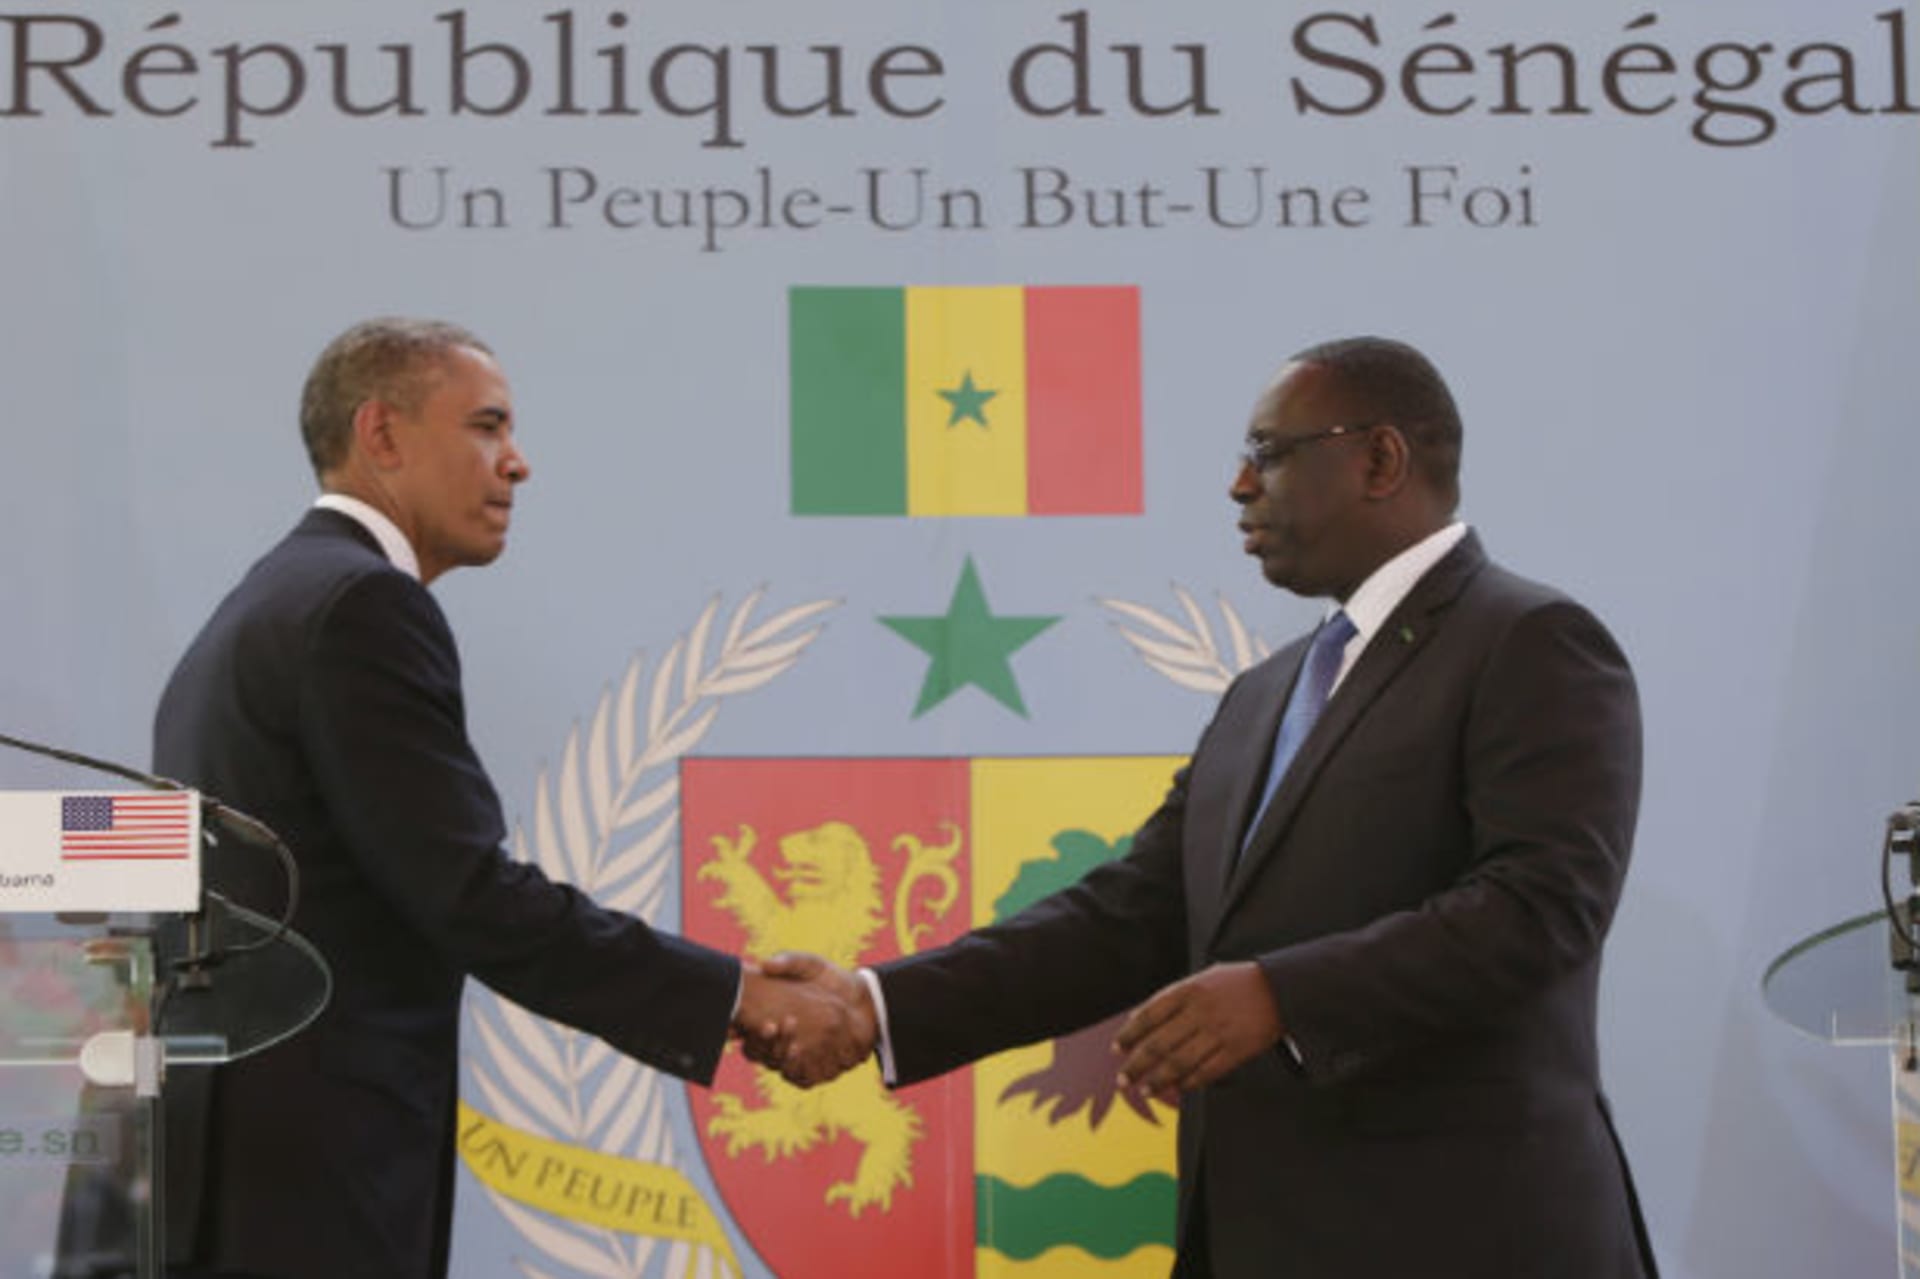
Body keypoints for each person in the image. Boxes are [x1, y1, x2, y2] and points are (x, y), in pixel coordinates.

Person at [774, 336, 1658, 1278]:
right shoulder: (1264, 694)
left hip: (1465, 1236)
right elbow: (1130, 916)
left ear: (1380, 460)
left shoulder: (1529, 640)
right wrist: (880, 1003)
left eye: (1271, 453)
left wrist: (1284, 995)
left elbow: (1543, 906)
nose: (1240, 485)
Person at [151, 318, 856, 1279]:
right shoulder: (363, 606)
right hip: (315, 1174)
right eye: (487, 426)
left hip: (233, 1158)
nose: (516, 464)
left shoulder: (267, 600)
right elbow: (471, 896)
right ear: (382, 435)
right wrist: (735, 993)